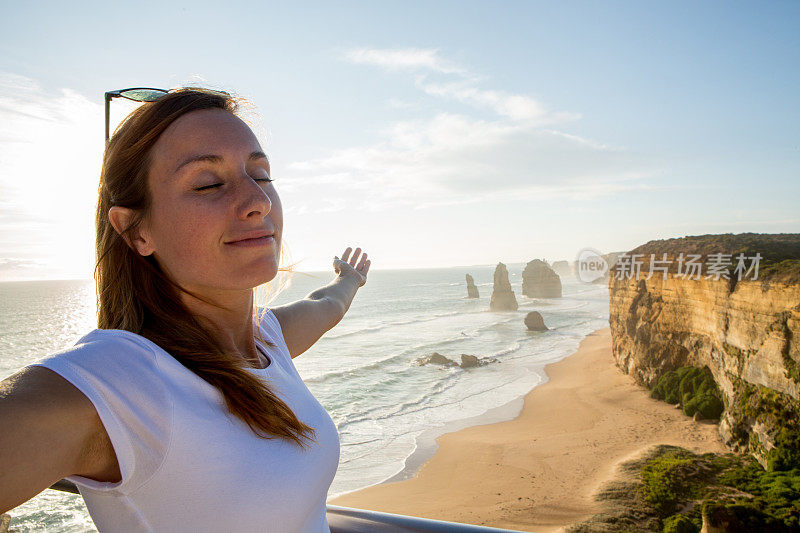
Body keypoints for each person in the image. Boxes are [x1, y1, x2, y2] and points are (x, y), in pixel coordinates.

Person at [0, 87, 370, 532]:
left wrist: (348, 280)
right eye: (208, 184)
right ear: (136, 231)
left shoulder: (268, 340)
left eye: (262, 174)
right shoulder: (119, 383)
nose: (258, 201)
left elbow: (325, 304)